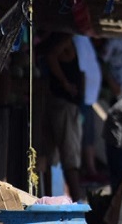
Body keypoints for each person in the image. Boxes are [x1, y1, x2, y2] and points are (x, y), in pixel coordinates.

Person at [42, 32, 85, 201]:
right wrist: (65, 83)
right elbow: (51, 56)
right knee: (70, 159)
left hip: (59, 103)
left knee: (53, 158)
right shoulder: (64, 38)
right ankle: (77, 204)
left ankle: (52, 199)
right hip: (64, 105)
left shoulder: (57, 38)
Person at [72, 34, 105, 183]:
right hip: (84, 98)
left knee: (88, 136)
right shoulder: (77, 38)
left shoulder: (84, 38)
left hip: (89, 98)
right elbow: (82, 70)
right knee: (83, 137)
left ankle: (90, 170)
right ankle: (86, 170)